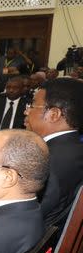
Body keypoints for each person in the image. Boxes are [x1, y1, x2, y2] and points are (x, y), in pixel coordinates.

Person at [24, 78, 83, 228]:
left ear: (54, 114)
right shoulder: (73, 150)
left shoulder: (50, 159)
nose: (26, 111)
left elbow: (25, 218)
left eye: (32, 105)